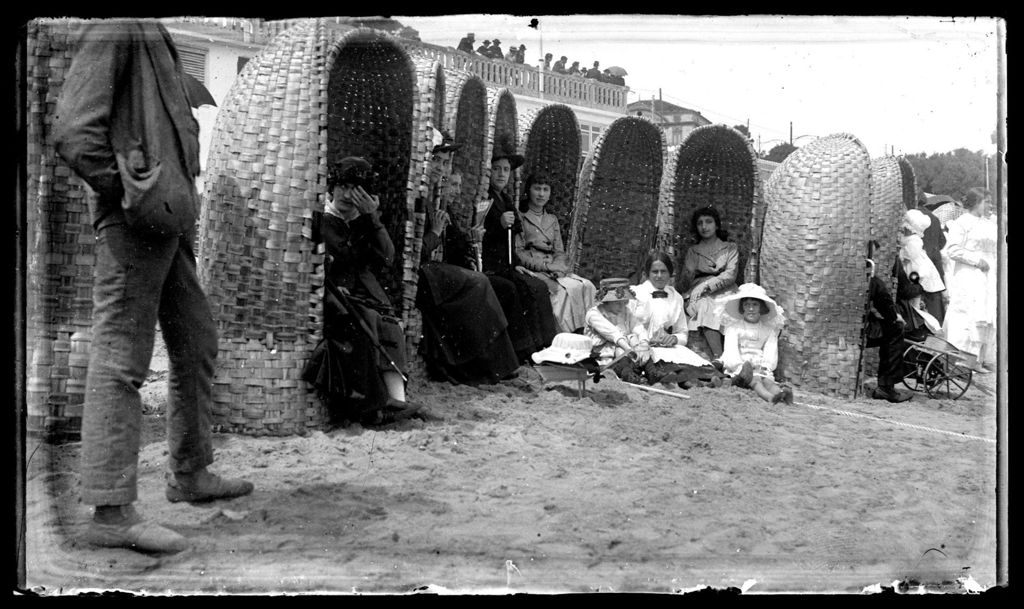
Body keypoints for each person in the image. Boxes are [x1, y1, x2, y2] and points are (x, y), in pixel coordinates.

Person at [52, 19, 253, 554]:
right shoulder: (116, 27)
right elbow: (73, 132)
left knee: (194, 340)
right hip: (137, 221)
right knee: (121, 357)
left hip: (169, 220)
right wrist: (129, 193)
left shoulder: (150, 30)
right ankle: (110, 510)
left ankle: (189, 472)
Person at [304, 157, 434, 425]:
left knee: (389, 325)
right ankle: (375, 406)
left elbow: (387, 257)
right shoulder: (325, 220)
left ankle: (399, 401)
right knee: (369, 320)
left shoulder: (361, 221)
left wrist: (371, 218)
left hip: (358, 296)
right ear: (332, 188)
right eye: (343, 186)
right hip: (331, 299)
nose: (348, 195)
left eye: (356, 190)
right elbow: (339, 258)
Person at [417, 134, 520, 384]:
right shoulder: (419, 197)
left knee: (480, 283)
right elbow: (416, 250)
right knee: (479, 284)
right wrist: (434, 233)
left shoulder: (436, 198)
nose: (441, 169)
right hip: (424, 273)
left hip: (438, 270)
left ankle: (500, 364)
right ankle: (482, 366)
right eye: (436, 162)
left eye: (445, 163)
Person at [481, 136, 558, 362]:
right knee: (521, 290)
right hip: (491, 265)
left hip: (506, 263)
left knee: (538, 286)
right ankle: (527, 349)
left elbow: (511, 238)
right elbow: (482, 234)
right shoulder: (484, 197)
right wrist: (498, 224)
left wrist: (516, 264)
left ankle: (546, 344)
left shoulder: (505, 198)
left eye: (505, 169)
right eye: (496, 169)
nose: (502, 174)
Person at [514, 171, 596, 333]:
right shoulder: (521, 217)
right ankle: (562, 336)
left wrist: (558, 267)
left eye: (546, 189)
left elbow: (559, 250)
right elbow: (519, 252)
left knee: (587, 286)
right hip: (534, 269)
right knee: (564, 293)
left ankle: (586, 332)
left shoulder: (552, 220)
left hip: (554, 269)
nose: (541, 194)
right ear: (528, 190)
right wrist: (545, 267)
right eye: (537, 189)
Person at [629, 251, 721, 388]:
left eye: (663, 271)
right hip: (642, 346)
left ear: (670, 273)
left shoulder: (675, 297)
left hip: (668, 347)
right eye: (655, 272)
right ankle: (691, 383)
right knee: (664, 366)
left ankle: (707, 381)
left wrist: (674, 338)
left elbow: (683, 333)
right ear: (647, 273)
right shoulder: (635, 294)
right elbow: (627, 326)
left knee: (690, 361)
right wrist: (644, 340)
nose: (659, 276)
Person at [942, 187, 997, 369]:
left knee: (986, 313)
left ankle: (980, 358)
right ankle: (962, 358)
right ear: (976, 202)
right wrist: (975, 260)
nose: (990, 205)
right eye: (986, 201)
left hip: (989, 276)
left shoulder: (990, 224)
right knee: (968, 314)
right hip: (969, 275)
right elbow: (953, 250)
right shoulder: (962, 223)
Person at [680, 206, 740, 362]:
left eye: (708, 222)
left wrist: (705, 286)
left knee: (726, 308)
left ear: (717, 225)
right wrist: (689, 272)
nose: (704, 227)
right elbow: (684, 282)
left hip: (725, 289)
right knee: (704, 306)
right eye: (700, 223)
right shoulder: (693, 251)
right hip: (696, 290)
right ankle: (719, 358)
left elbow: (730, 274)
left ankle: (729, 358)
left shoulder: (730, 248)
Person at [719, 284, 794, 404]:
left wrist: (766, 367)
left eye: (755, 305)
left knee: (767, 381)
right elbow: (731, 351)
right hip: (741, 367)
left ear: (762, 308)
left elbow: (770, 351)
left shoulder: (768, 330)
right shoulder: (734, 328)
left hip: (760, 365)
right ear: (742, 308)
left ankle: (781, 394)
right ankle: (769, 397)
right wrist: (740, 366)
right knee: (756, 379)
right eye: (747, 305)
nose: (751, 309)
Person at [583, 278, 654, 384]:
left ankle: (653, 373)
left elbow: (638, 327)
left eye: (623, 302)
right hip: (606, 357)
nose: (622, 306)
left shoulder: (625, 312)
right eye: (617, 303)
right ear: (607, 302)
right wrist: (629, 349)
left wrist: (643, 343)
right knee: (622, 357)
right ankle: (629, 375)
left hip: (627, 353)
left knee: (645, 353)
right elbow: (613, 333)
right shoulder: (594, 314)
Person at [865, 257, 914, 402]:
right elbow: (885, 304)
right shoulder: (872, 279)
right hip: (859, 332)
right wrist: (894, 317)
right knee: (895, 330)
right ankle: (886, 388)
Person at [894, 209, 945, 340]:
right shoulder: (910, 239)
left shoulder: (914, 240)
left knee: (915, 298)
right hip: (911, 267)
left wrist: (902, 249)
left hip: (915, 270)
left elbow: (910, 256)